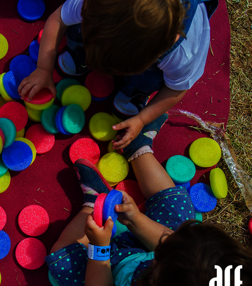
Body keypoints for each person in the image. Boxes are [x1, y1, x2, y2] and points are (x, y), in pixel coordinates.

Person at [46, 114, 252, 285]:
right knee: (179, 209)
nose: (170, 238)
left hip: (111, 271)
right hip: (152, 255)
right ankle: (138, 148)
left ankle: (92, 204)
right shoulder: (194, 263)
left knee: (61, 263)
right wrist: (135, 219)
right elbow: (174, 242)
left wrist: (99, 248)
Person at [18, 0, 218, 150]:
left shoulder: (183, 53)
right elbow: (59, 18)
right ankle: (83, 50)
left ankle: (136, 89)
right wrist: (43, 68)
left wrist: (142, 119)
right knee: (77, 27)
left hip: (157, 60)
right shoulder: (98, 5)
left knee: (151, 77)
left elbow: (177, 88)